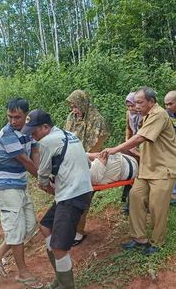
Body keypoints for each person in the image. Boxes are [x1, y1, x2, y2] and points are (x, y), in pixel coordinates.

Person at [100, 87, 176, 255]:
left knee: (157, 206)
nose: (136, 106)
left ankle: (157, 243)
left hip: (163, 168)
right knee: (135, 196)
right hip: (147, 167)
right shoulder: (145, 116)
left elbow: (140, 138)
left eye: (139, 102)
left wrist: (116, 149)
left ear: (151, 102)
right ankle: (139, 238)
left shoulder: (158, 114)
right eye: (134, 102)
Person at [22, 109, 93, 289]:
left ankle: (67, 286)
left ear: (45, 127)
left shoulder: (46, 142)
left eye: (34, 132)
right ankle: (60, 280)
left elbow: (42, 175)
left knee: (59, 247)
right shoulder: (67, 134)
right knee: (46, 227)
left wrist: (45, 185)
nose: (33, 137)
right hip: (78, 190)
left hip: (72, 194)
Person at [0, 98, 43, 289]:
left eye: (17, 117)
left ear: (26, 116)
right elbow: (26, 162)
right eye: (9, 116)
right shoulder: (6, 134)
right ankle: (23, 273)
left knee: (29, 225)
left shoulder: (28, 130)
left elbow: (35, 151)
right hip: (6, 188)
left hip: (20, 185)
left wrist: (41, 171)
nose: (13, 121)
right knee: (17, 230)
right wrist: (44, 181)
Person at [65, 89, 109, 245]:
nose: (74, 110)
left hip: (88, 162)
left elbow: (97, 146)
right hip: (71, 161)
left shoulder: (97, 120)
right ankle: (70, 228)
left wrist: (83, 158)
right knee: (69, 197)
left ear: (84, 104)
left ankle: (78, 232)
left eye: (76, 106)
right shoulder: (72, 117)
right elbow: (66, 137)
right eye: (72, 106)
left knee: (83, 197)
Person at [121, 92, 142, 215]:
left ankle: (137, 204)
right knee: (131, 173)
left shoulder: (144, 115)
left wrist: (138, 150)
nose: (130, 109)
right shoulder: (129, 114)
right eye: (128, 106)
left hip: (144, 146)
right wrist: (128, 143)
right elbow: (128, 129)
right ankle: (127, 203)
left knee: (140, 176)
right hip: (133, 145)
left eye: (132, 105)